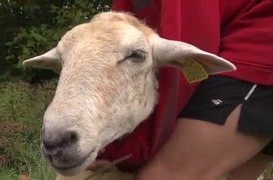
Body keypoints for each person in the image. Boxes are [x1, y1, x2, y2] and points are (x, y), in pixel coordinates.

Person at [95, 0, 273, 179]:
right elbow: (120, 51)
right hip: (238, 40)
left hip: (258, 53)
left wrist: (128, 152)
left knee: (161, 176)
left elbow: (187, 49)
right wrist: (110, 144)